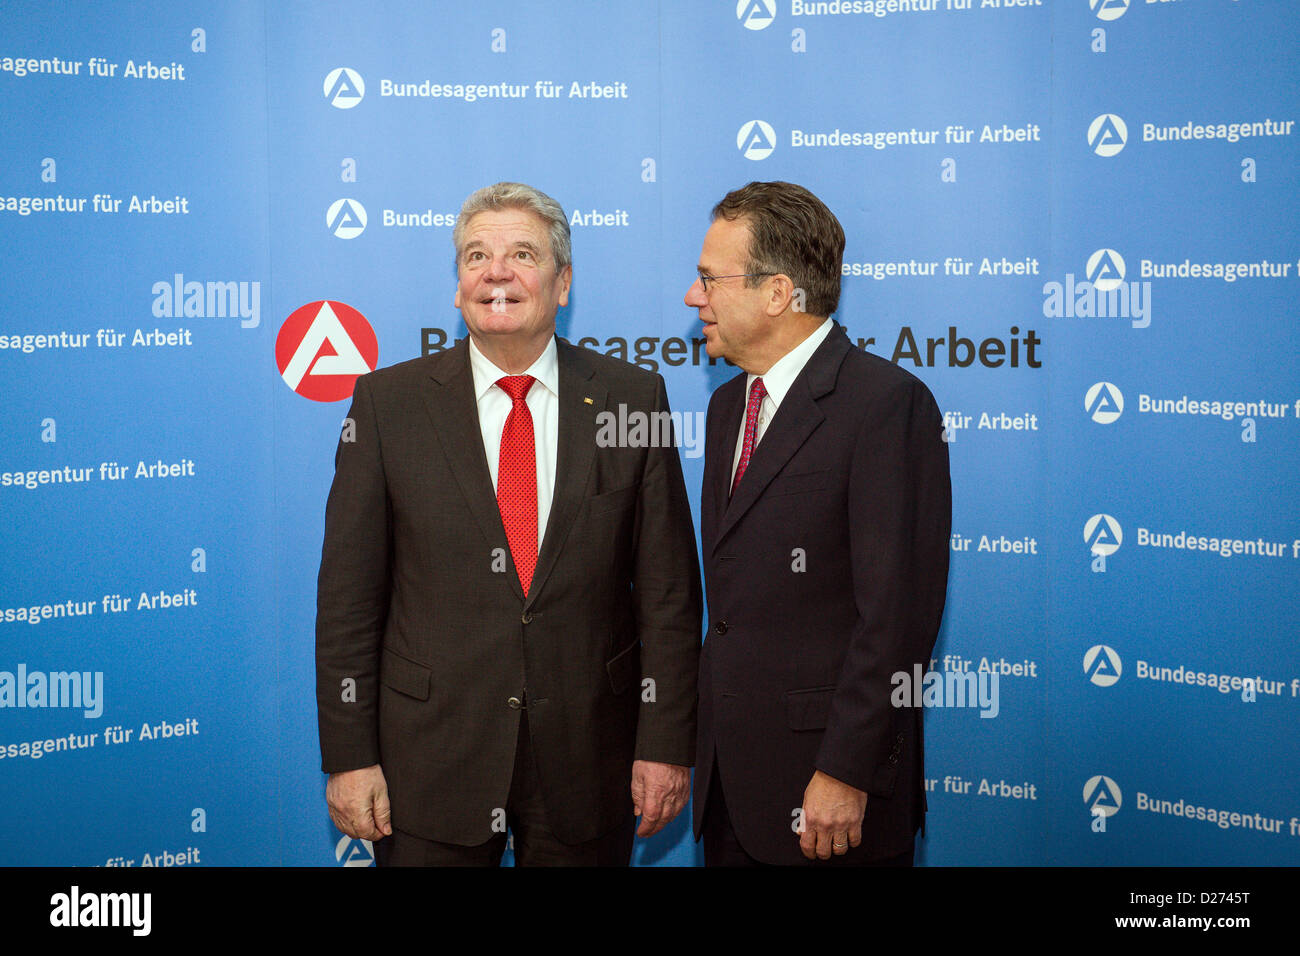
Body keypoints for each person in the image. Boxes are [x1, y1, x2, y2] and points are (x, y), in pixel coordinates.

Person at [316, 182, 701, 866]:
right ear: (458, 285)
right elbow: (348, 599)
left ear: (563, 283)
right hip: (428, 764)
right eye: (476, 256)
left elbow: (669, 595)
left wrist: (666, 744)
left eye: (522, 254)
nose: (496, 272)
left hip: (591, 759)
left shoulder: (632, 398)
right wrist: (350, 758)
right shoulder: (387, 405)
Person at [684, 181, 951, 866]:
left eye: (710, 279)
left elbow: (896, 617)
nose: (695, 298)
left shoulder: (886, 405)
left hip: (828, 799)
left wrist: (845, 770)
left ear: (777, 293)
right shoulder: (727, 410)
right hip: (730, 790)